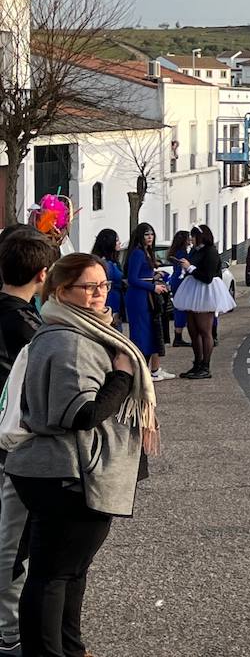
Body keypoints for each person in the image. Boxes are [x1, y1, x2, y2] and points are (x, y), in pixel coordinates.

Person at [5, 253, 158, 657]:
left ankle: (71, 649)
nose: (99, 294)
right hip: (66, 473)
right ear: (60, 291)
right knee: (53, 576)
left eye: (103, 285)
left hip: (57, 469)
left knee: (66, 573)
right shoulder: (70, 341)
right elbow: (80, 413)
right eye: (89, 287)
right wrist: (123, 375)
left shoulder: (69, 331)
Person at [0, 229, 56, 653]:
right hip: (11, 442)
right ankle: (8, 631)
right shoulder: (25, 324)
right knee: (12, 542)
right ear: (42, 275)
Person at [173, 225, 235, 380]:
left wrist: (190, 268)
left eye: (193, 237)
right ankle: (197, 363)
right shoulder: (195, 251)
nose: (191, 240)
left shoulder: (211, 252)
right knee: (193, 330)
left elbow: (207, 277)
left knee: (204, 330)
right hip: (194, 289)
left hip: (206, 291)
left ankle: (205, 366)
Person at [122, 223, 173, 382]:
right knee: (141, 333)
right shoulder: (137, 253)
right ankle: (139, 370)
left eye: (151, 234)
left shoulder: (146, 252)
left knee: (149, 332)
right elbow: (132, 279)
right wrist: (153, 287)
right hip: (139, 297)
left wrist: (155, 278)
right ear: (140, 236)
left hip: (145, 294)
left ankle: (148, 370)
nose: (150, 237)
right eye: (146, 234)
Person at [167, 229, 192, 348]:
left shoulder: (176, 252)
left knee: (179, 308)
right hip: (181, 281)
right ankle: (178, 337)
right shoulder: (182, 253)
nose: (190, 240)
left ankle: (178, 336)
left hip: (176, 281)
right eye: (188, 238)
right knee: (182, 308)